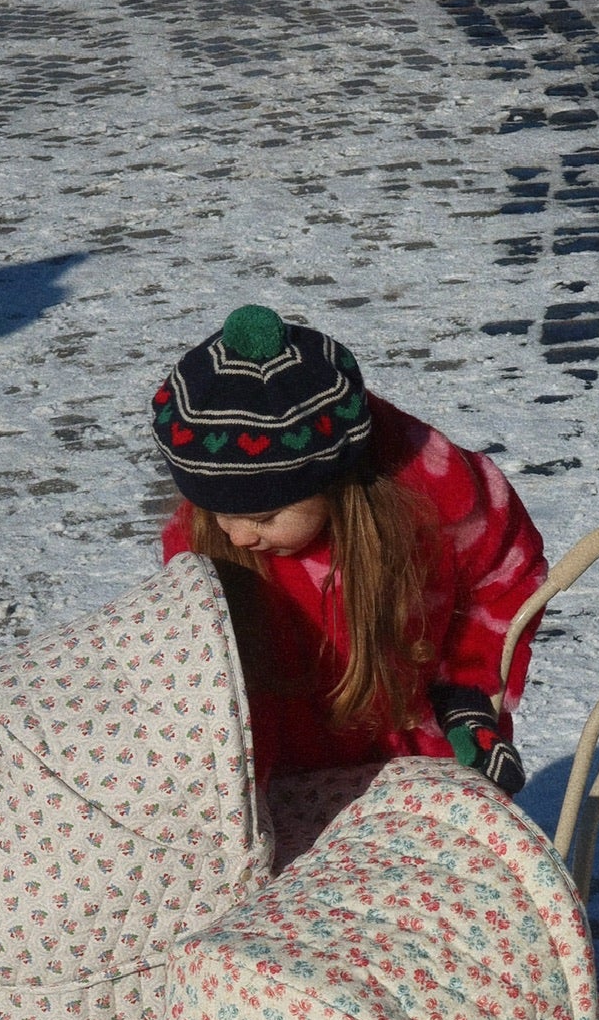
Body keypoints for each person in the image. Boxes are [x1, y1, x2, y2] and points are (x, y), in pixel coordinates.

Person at [153, 304, 547, 792]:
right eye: (217, 512)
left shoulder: (441, 507)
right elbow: (191, 655)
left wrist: (466, 695)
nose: (237, 536)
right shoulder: (201, 540)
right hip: (282, 773)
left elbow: (504, 582)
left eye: (261, 518)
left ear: (335, 483)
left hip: (413, 754)